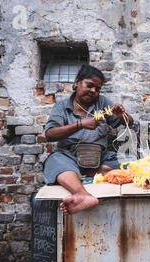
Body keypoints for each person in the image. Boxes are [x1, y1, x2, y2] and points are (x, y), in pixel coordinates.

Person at [43, 64, 133, 215]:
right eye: (89, 85)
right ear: (77, 82)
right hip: (70, 156)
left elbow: (129, 122)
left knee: (130, 162)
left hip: (100, 157)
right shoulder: (61, 107)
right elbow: (50, 134)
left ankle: (88, 172)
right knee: (54, 161)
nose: (93, 91)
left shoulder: (102, 103)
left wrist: (121, 116)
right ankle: (82, 195)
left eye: (97, 89)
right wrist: (80, 124)